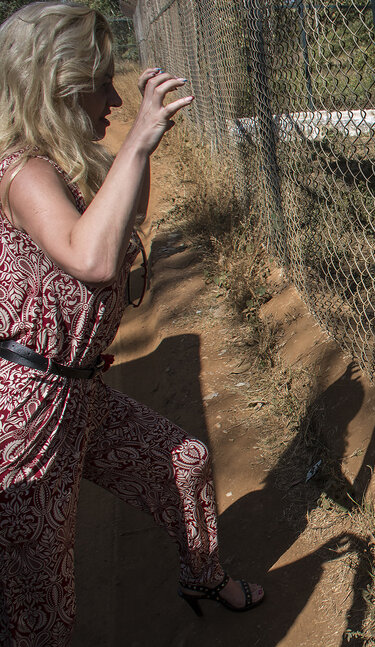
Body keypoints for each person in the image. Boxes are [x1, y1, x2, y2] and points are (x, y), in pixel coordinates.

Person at [0, 3, 264, 645]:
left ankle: (201, 577)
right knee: (43, 604)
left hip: (79, 389)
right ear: (56, 87)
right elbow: (92, 259)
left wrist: (146, 147)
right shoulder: (20, 168)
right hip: (30, 410)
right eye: (99, 82)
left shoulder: (65, 161)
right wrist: (138, 137)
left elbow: (124, 226)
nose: (113, 97)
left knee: (184, 462)